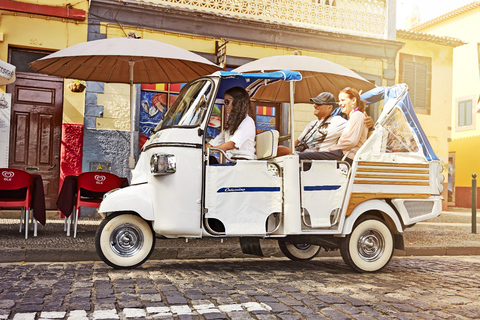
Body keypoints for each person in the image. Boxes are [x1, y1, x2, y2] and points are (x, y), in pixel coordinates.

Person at [298, 87, 368, 164]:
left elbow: (352, 141)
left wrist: (331, 148)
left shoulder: (357, 115)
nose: (340, 104)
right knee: (303, 157)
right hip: (342, 155)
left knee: (299, 157)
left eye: (343, 100)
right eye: (339, 101)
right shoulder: (354, 117)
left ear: (353, 100)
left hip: (346, 156)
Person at [277, 92, 347, 156]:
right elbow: (296, 143)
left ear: (329, 107)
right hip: (300, 155)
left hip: (315, 158)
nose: (314, 105)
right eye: (314, 102)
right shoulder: (312, 123)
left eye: (318, 103)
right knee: (277, 150)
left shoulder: (337, 121)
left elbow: (355, 129)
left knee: (280, 150)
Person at [206, 86, 257, 162]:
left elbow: (232, 144)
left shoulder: (247, 121)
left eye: (227, 102)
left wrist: (210, 150)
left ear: (238, 102)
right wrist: (204, 147)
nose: (225, 105)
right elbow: (216, 141)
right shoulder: (231, 125)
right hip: (233, 162)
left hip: (244, 163)